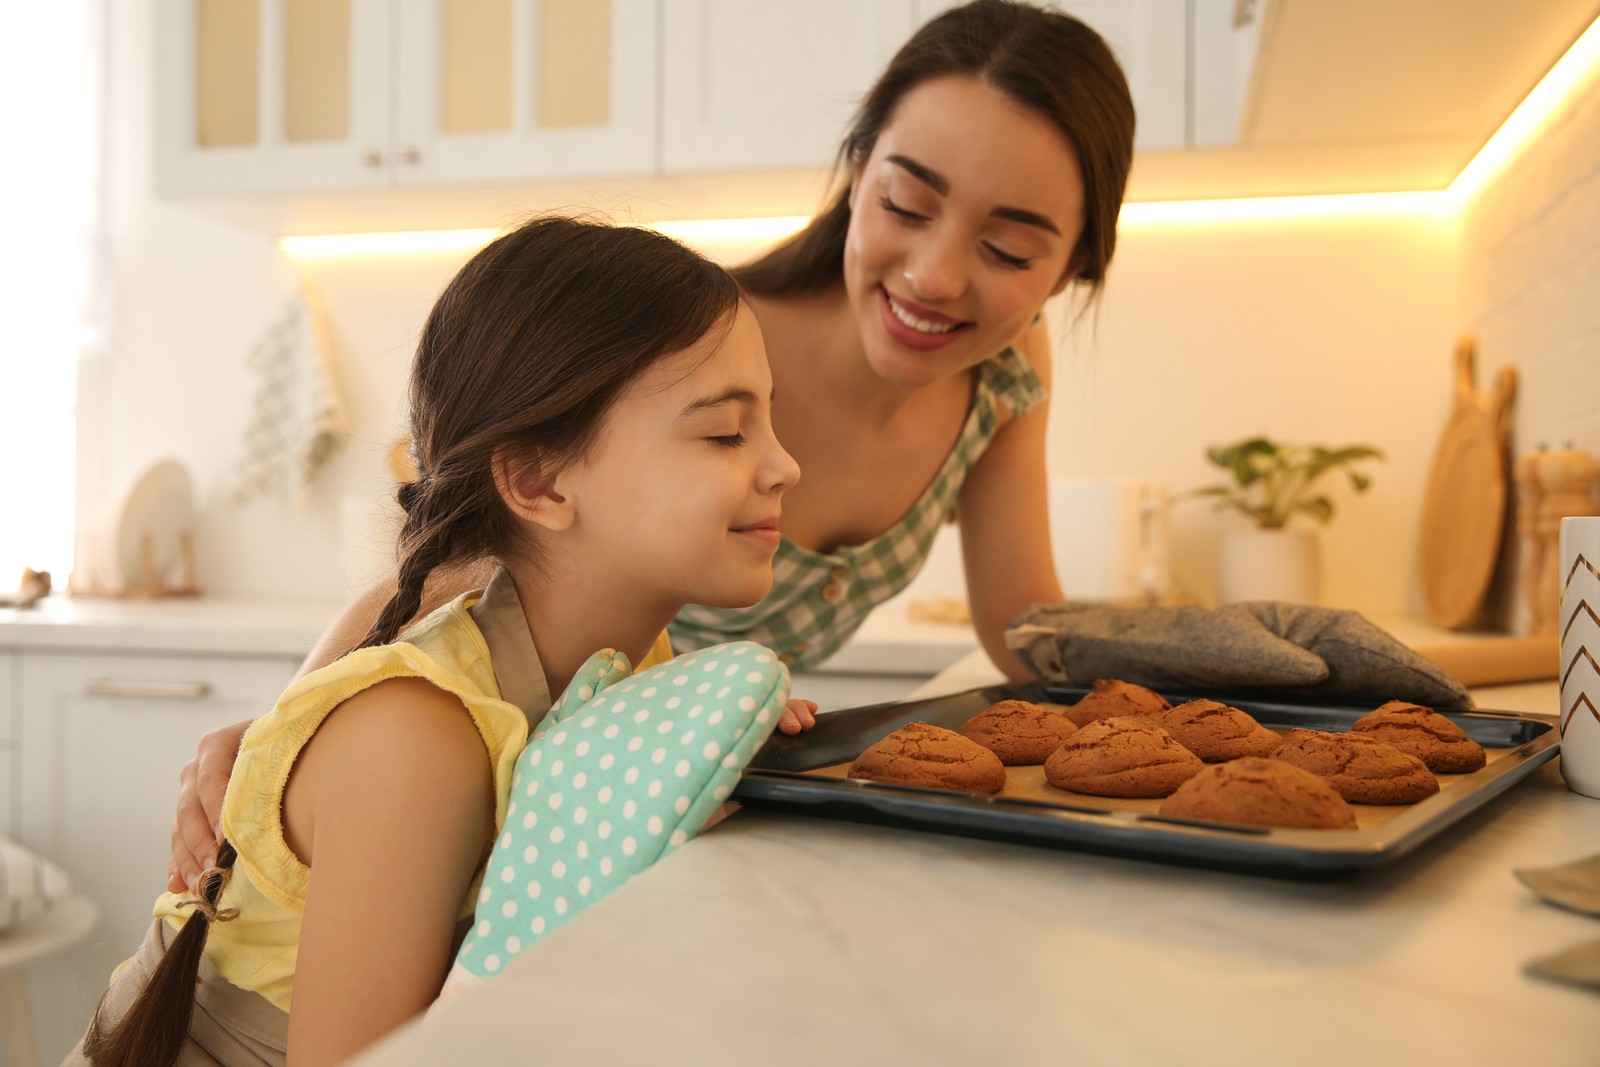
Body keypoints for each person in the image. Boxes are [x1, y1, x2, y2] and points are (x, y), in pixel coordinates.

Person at [167, 0, 1135, 892]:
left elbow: (1021, 620)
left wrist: (1187, 674)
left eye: (1008, 250)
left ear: (1072, 265)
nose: (933, 274)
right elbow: (459, 552)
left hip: (691, 817)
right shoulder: (707, 345)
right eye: (906, 204)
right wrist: (295, 722)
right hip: (538, 809)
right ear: (856, 168)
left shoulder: (1003, 376)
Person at [75, 215, 805, 1064]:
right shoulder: (417, 739)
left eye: (769, 423)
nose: (784, 465)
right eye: (725, 432)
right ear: (537, 479)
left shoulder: (634, 652)